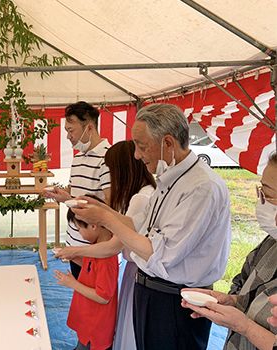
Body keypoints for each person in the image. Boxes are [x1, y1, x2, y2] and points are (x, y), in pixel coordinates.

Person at [71, 103, 232, 350]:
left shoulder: (201, 187)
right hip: (152, 291)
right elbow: (138, 227)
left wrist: (105, 219)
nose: (136, 155)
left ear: (168, 143)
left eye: (142, 146)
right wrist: (101, 210)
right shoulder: (169, 179)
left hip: (176, 299)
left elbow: (161, 252)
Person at [56, 140, 156, 350]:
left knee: (129, 333)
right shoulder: (139, 195)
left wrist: (74, 251)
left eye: (112, 170)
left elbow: (114, 245)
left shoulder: (140, 198)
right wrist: (96, 206)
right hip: (136, 272)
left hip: (140, 273)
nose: (111, 178)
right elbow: (119, 221)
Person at [182, 152, 277, 350]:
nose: (261, 201)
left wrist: (245, 327)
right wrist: (231, 301)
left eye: (267, 194)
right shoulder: (271, 242)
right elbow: (243, 282)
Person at [44, 101, 111, 279]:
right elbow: (76, 198)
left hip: (94, 250)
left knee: (94, 299)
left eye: (71, 130)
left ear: (89, 128)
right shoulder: (78, 158)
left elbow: (111, 209)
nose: (68, 136)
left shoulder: (108, 158)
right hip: (74, 244)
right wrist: (64, 197)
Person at [54, 195, 118, 350]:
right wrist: (74, 257)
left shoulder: (106, 256)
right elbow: (91, 268)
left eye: (80, 229)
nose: (80, 234)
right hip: (89, 320)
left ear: (93, 225)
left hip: (96, 325)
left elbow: (102, 297)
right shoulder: (97, 248)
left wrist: (72, 283)